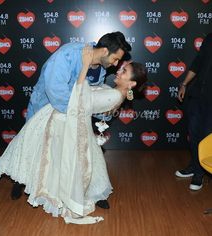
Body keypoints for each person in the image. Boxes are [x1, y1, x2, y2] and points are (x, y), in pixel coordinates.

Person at [0, 47, 147, 224]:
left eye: (124, 70)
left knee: (26, 146)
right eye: (120, 66)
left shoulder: (113, 95)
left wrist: (85, 66)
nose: (118, 69)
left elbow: (79, 100)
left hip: (63, 125)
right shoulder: (114, 91)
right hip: (60, 121)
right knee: (26, 146)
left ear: (132, 83)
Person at [10, 31, 132, 206]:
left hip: (72, 115)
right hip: (45, 109)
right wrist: (80, 112)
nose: (116, 64)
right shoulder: (68, 54)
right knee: (32, 147)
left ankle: (90, 192)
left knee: (76, 155)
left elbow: (90, 97)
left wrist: (97, 111)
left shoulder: (101, 69)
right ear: (105, 51)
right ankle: (20, 181)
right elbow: (56, 92)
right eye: (115, 59)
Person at [175, 33, 212, 191]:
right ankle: (195, 166)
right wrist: (184, 84)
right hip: (198, 95)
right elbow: (198, 62)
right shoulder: (210, 37)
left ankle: (199, 173)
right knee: (194, 134)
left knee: (205, 136)